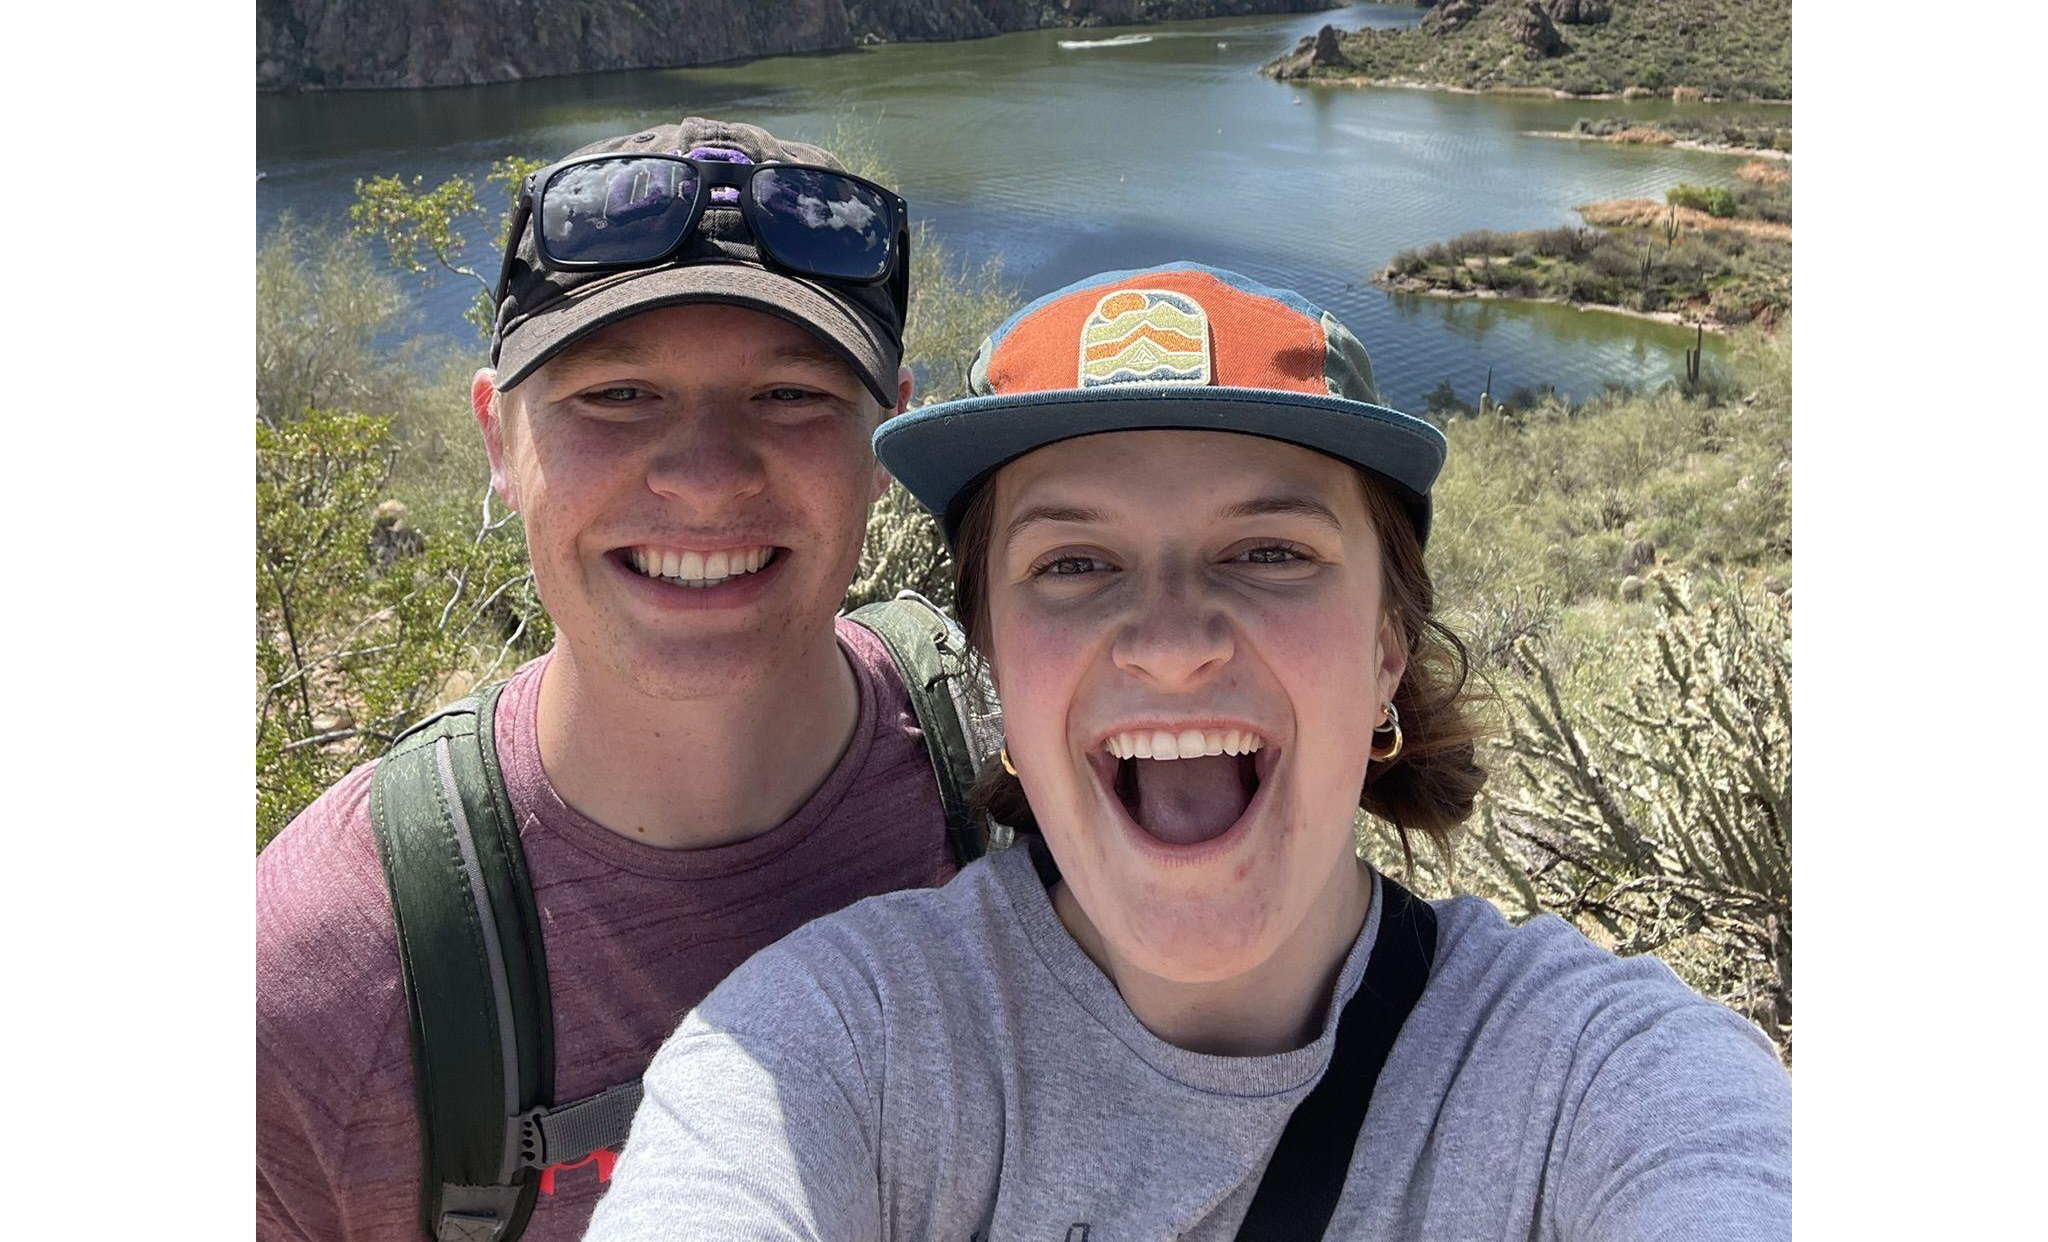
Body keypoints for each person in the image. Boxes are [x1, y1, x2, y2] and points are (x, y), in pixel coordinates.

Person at [590, 264, 1792, 1241]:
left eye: (1267, 551)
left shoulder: (1596, 1074)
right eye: (1073, 562)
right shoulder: (836, 1045)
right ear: (994, 660)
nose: (1169, 643)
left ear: (1384, 646)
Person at [257, 119, 994, 1242]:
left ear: (884, 440)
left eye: (791, 395)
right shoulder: (319, 988)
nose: (706, 477)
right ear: (498, 438)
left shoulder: (1017, 782)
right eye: (617, 394)